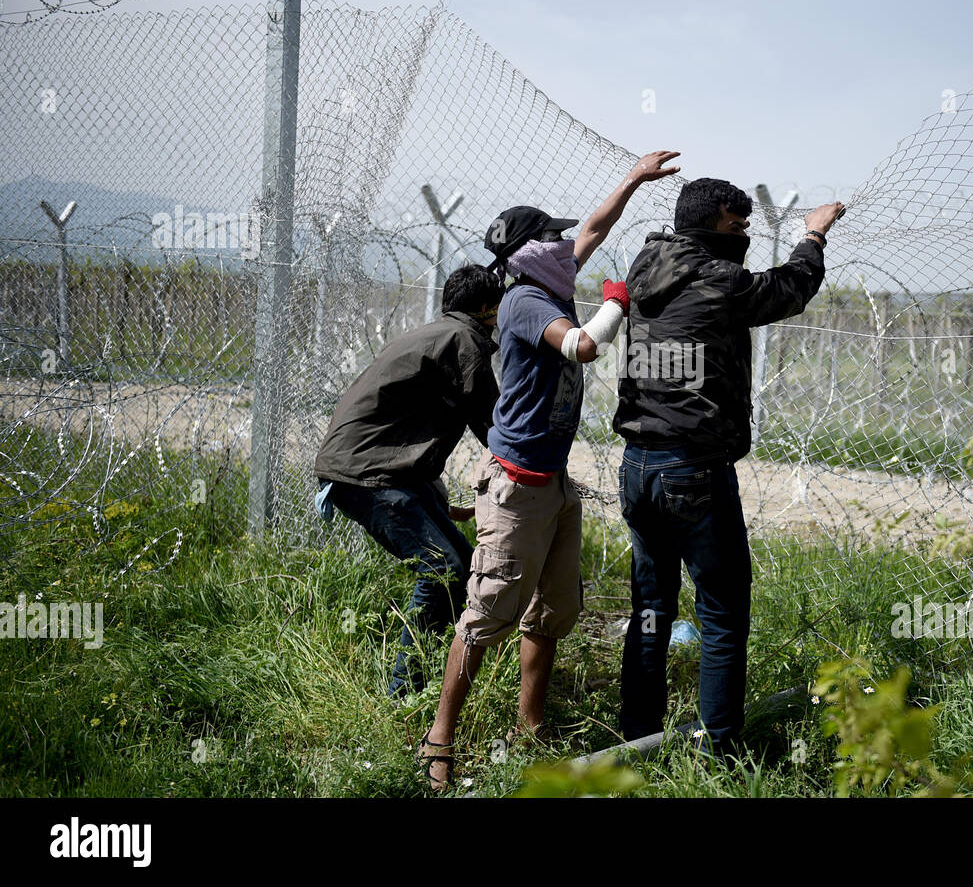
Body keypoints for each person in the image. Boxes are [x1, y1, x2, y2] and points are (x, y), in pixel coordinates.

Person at [417, 150, 682, 791]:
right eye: (551, 236)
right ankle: (438, 740)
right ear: (526, 252)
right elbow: (585, 346)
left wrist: (631, 181)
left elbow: (590, 231)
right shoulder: (526, 304)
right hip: (517, 488)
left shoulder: (550, 283)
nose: (566, 243)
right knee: (486, 616)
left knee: (551, 611)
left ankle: (528, 728)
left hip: (554, 485)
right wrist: (616, 301)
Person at [612, 176, 844, 759]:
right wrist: (812, 235)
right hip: (692, 470)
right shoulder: (717, 280)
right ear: (713, 220)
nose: (743, 235)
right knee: (720, 615)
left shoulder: (646, 267)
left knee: (651, 607)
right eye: (737, 225)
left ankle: (636, 737)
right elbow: (788, 289)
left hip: (638, 464)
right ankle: (721, 754)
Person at [313, 263, 504, 697]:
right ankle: (403, 691)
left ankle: (430, 675)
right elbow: (493, 426)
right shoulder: (465, 341)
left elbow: (406, 427)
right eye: (500, 305)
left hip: (374, 468)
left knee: (462, 564)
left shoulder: (439, 333)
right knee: (442, 568)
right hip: (368, 474)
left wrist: (436, 502)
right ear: (484, 307)